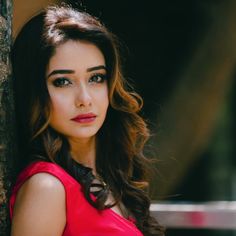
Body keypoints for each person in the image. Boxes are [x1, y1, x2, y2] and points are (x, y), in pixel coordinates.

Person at [9, 4, 165, 236]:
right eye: (62, 81)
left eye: (96, 78)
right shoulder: (47, 188)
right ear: (34, 92)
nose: (85, 99)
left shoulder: (111, 180)